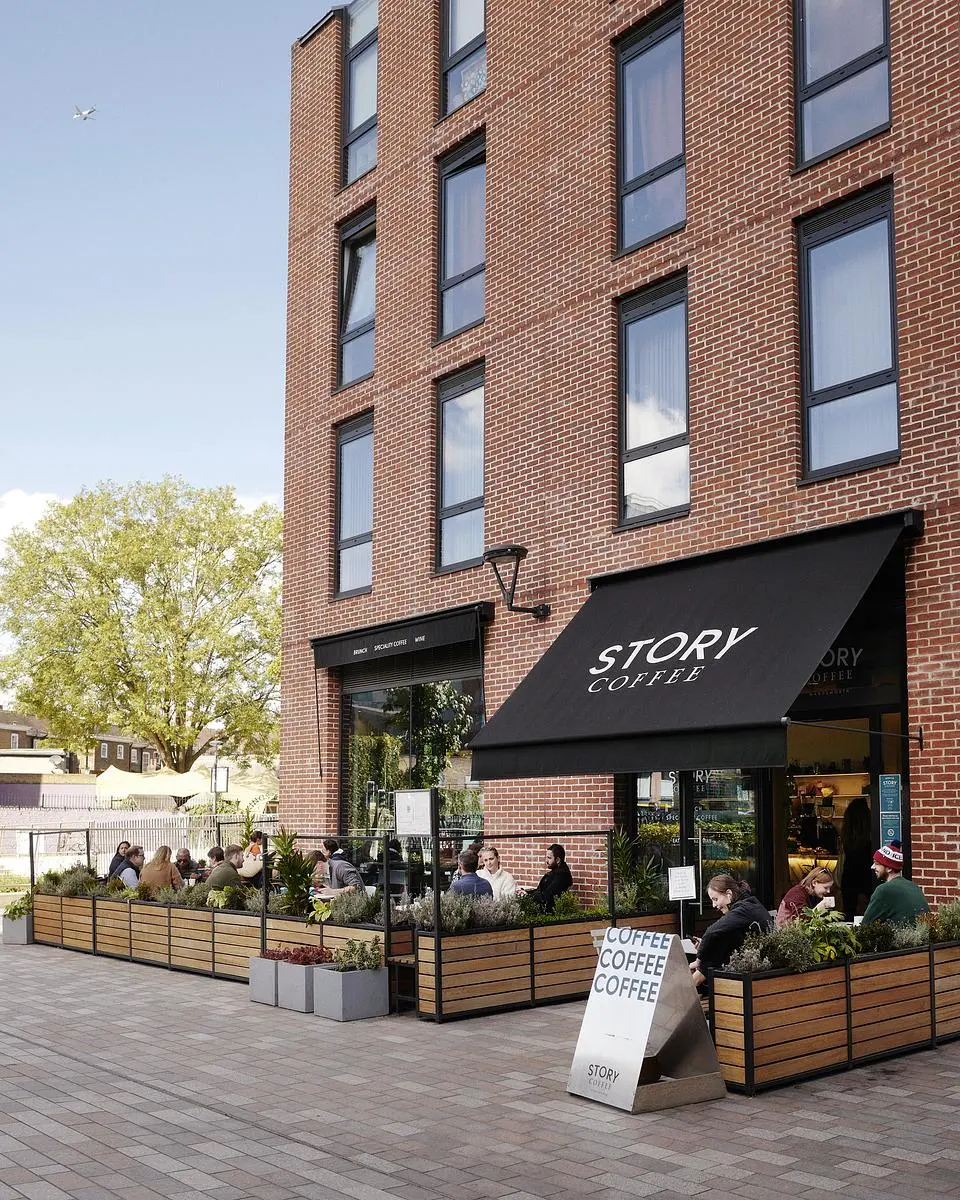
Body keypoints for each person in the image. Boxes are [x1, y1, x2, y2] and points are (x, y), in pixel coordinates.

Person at [690, 875, 772, 990]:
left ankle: (687, 988)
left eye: (715, 899)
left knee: (711, 955)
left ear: (729, 894)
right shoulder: (749, 904)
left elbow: (711, 932)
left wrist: (699, 960)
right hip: (757, 967)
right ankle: (690, 986)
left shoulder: (744, 909)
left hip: (755, 975)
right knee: (719, 944)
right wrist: (706, 946)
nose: (714, 905)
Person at [861, 840, 930, 925]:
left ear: (889, 868)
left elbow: (866, 925)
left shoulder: (884, 890)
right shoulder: (914, 886)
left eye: (877, 863)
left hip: (903, 933)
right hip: (920, 933)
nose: (873, 867)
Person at [840, 794, 874, 919]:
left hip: (849, 874)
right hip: (868, 873)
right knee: (872, 911)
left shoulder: (847, 834)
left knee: (849, 912)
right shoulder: (871, 834)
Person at [524, 844, 573, 913]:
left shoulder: (562, 876)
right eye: (546, 857)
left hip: (549, 914)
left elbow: (546, 896)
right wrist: (526, 892)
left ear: (558, 860)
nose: (546, 861)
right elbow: (540, 891)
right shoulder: (554, 873)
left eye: (549, 858)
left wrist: (527, 895)